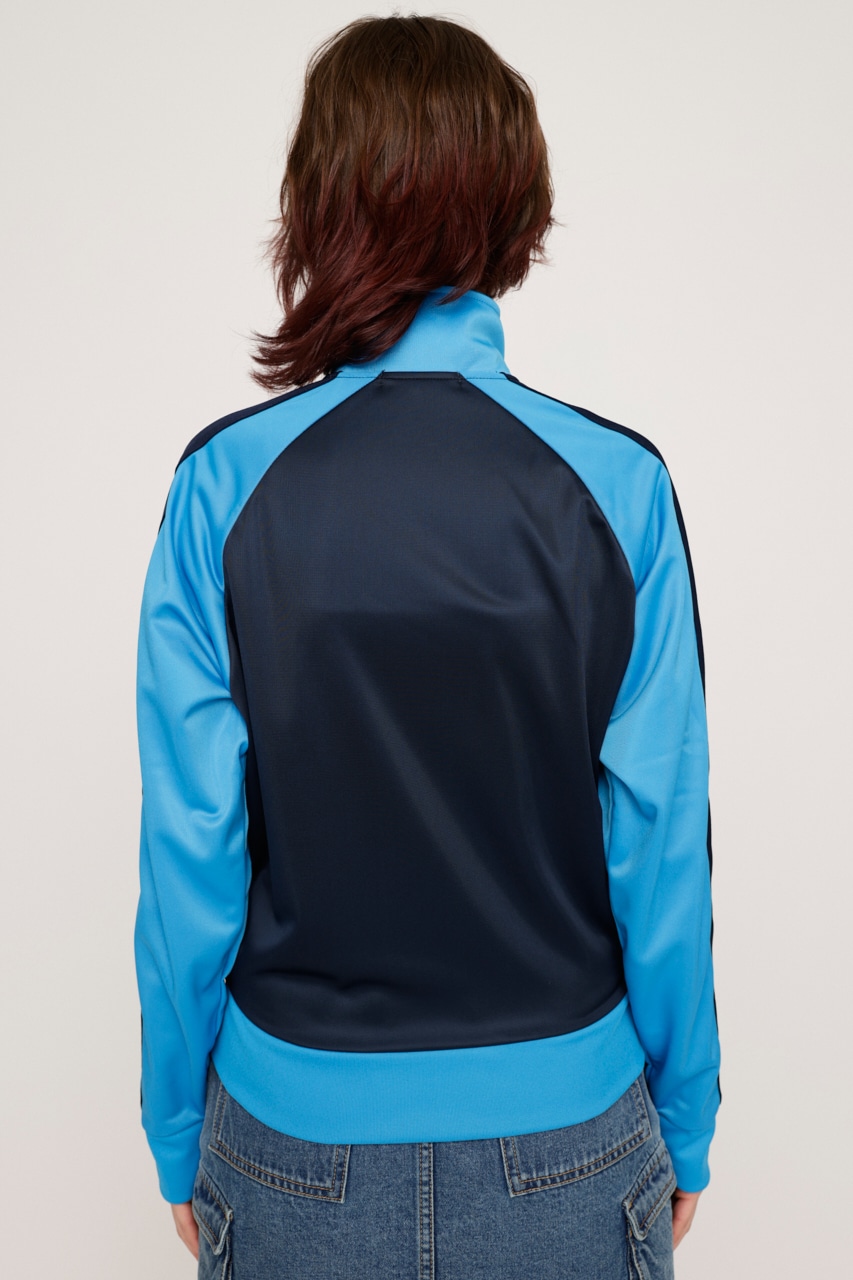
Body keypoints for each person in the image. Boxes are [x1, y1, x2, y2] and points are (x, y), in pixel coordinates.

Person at [133, 13, 722, 1278]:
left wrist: (176, 1125)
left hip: (293, 1147)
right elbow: (661, 845)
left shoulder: (223, 488)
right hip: (568, 1143)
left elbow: (190, 855)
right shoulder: (618, 487)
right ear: (515, 204)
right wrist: (687, 1116)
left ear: (315, 201)